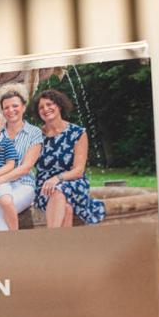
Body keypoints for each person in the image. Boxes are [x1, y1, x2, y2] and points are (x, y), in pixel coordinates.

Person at [32, 89, 106, 228]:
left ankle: (51, 242)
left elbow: (78, 170)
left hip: (72, 182)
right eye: (41, 107)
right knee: (66, 208)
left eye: (49, 104)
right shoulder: (36, 136)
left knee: (58, 190)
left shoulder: (77, 133)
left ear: (59, 105)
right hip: (44, 187)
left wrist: (57, 179)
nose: (45, 109)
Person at [0, 84, 44, 232]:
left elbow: (26, 167)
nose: (10, 111)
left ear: (23, 107)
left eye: (15, 106)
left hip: (23, 185)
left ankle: (9, 250)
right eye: (6, 107)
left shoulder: (34, 133)